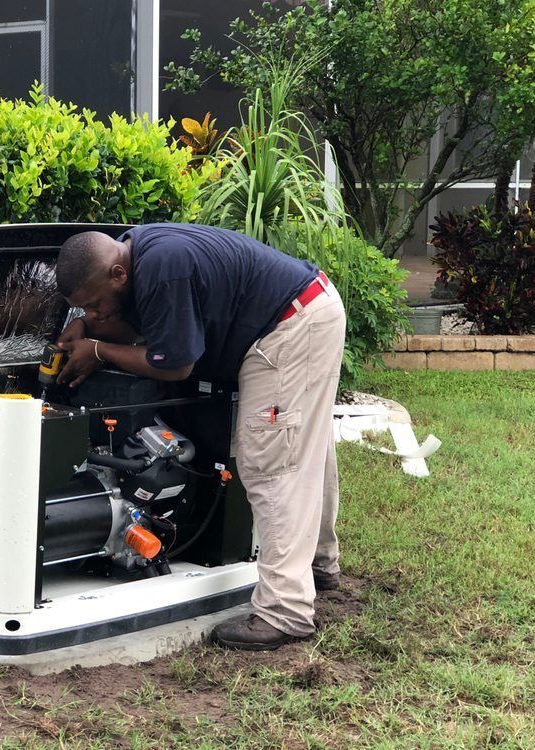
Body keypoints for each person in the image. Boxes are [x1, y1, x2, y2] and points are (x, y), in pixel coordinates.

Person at [54, 223, 346, 651]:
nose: (95, 314)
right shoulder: (139, 253)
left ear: (118, 274)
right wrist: (89, 326)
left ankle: (285, 611)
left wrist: (98, 350)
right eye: (85, 309)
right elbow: (151, 322)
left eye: (95, 304)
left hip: (289, 328)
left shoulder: (164, 268)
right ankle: (318, 565)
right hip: (307, 308)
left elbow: (176, 366)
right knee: (303, 446)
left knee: (272, 465)